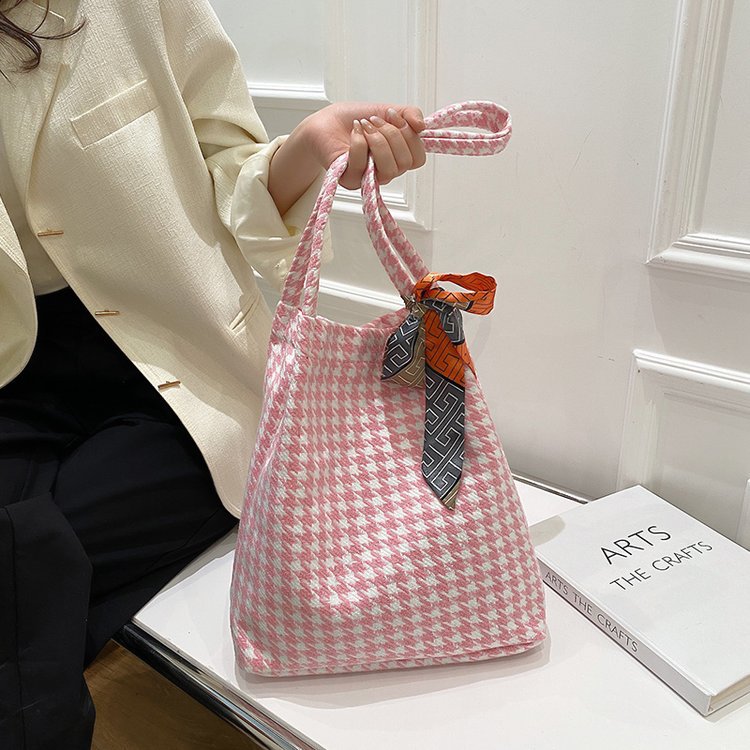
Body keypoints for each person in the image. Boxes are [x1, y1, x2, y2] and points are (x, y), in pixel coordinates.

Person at [0, 1, 426, 747]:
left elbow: (231, 169)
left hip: (175, 369)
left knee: (18, 566)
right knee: (25, 569)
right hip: (14, 375)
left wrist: (307, 150)